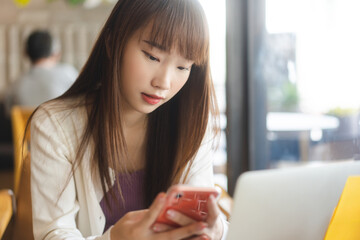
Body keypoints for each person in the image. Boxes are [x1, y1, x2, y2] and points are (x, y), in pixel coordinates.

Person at [30, 0, 227, 239]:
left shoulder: (193, 123)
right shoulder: (55, 125)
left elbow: (201, 214)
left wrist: (217, 229)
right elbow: (53, 232)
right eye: (152, 56)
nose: (164, 82)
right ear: (113, 42)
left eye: (183, 67)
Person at [5, 30, 77, 114]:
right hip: (61, 126)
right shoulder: (68, 74)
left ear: (26, 53)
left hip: (26, 127)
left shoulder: (15, 85)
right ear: (57, 53)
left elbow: (7, 113)